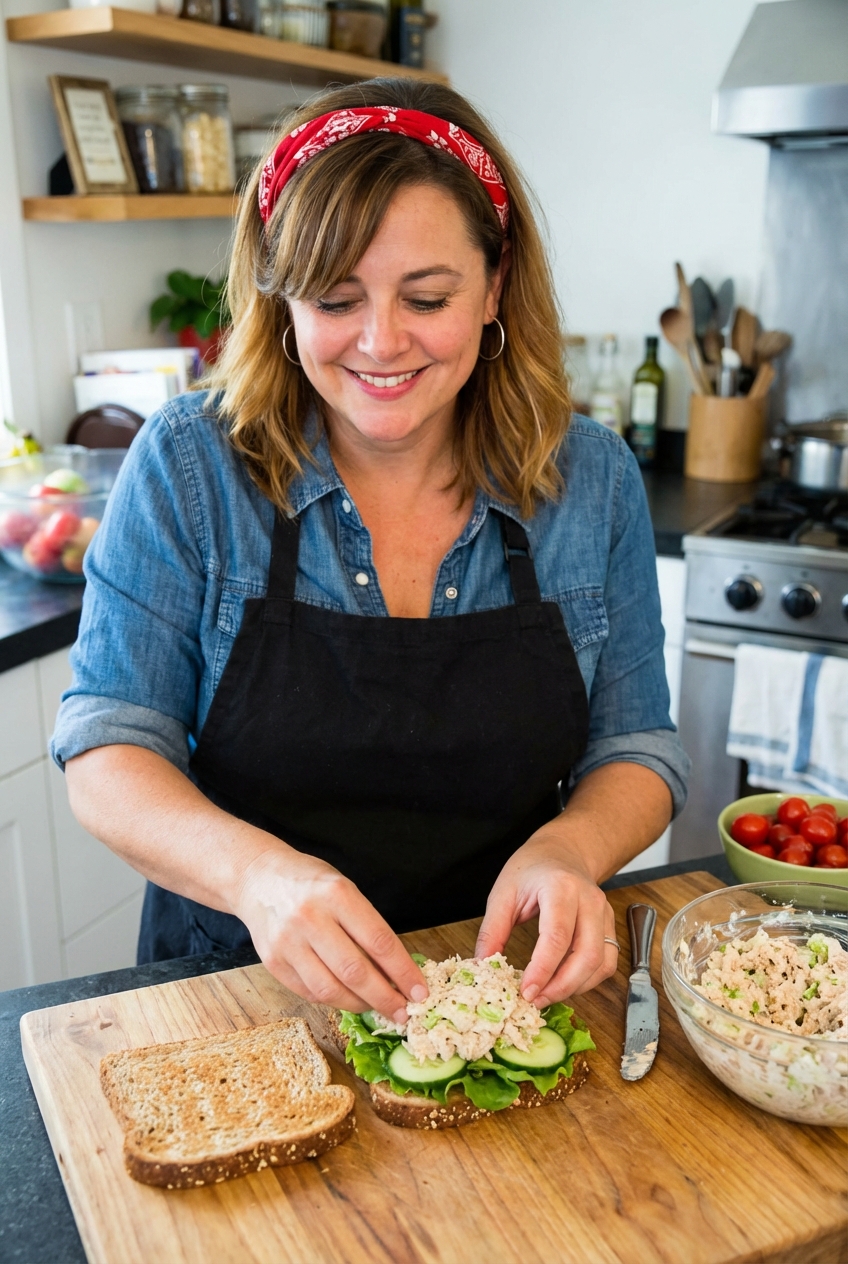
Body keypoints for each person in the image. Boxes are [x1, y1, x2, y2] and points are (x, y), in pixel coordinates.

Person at [53, 78, 689, 1027]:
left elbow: (636, 748)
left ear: (495, 283)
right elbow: (108, 745)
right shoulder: (191, 464)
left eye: (426, 295)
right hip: (237, 990)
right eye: (336, 298)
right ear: (282, 296)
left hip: (503, 992)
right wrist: (259, 878)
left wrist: (572, 851)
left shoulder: (589, 479)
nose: (381, 342)